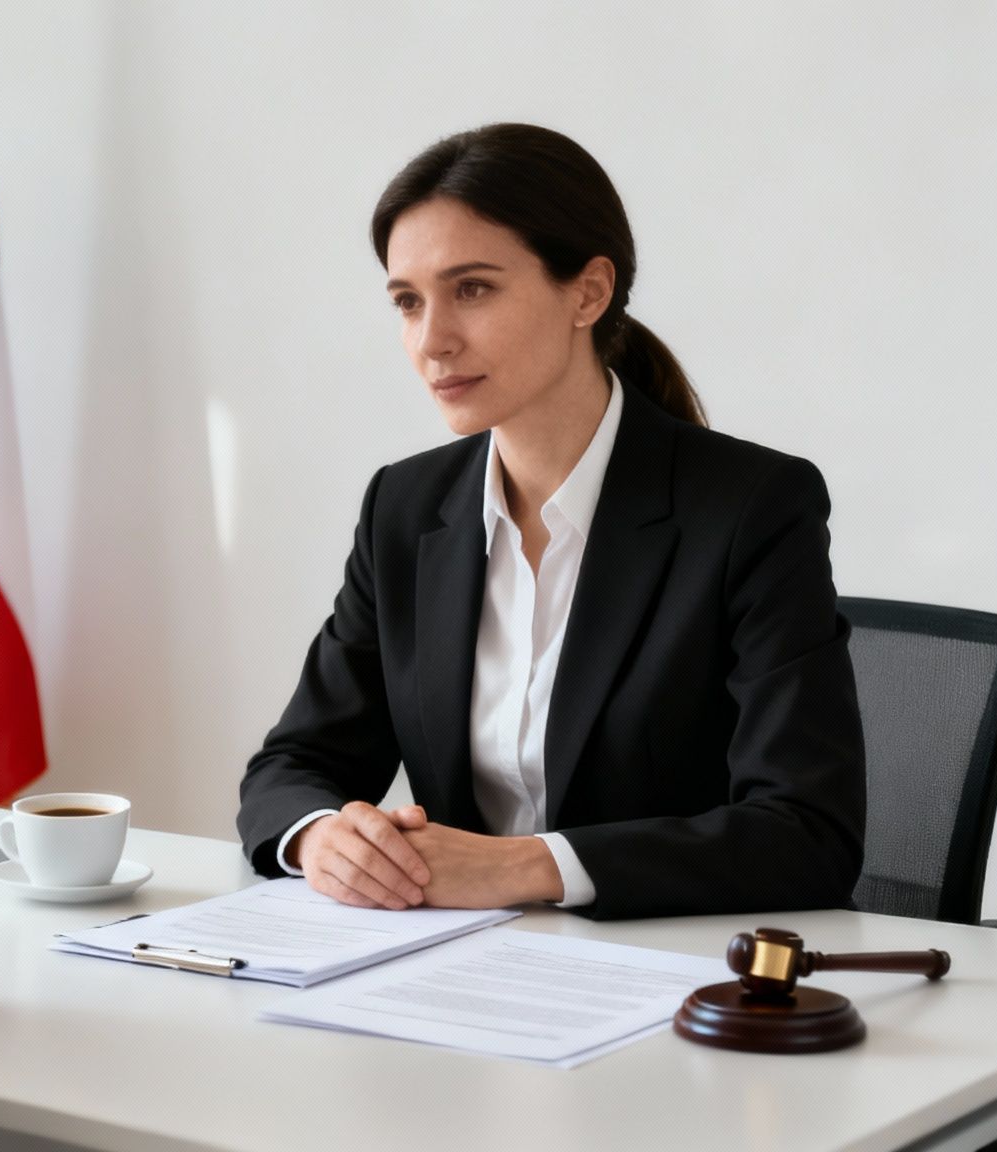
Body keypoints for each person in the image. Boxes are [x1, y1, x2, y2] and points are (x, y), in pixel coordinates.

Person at [236, 124, 865, 922]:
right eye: (408, 301)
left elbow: (807, 834)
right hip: (456, 973)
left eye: (473, 288)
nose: (432, 342)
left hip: (669, 975)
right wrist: (321, 836)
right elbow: (292, 766)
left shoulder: (751, 508)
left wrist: (527, 867)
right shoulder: (404, 507)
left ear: (588, 293)